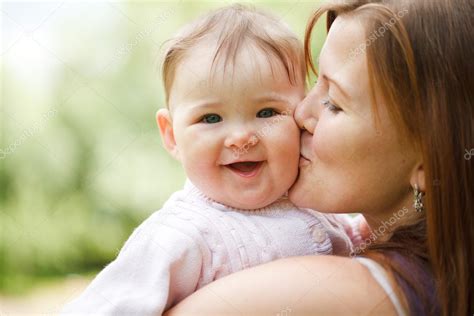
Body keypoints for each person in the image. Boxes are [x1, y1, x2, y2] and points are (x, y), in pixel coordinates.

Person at [166, 0, 473, 315]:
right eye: (315, 86)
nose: (299, 113)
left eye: (334, 103)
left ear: (431, 163)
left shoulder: (339, 293)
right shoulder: (443, 274)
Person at [61, 5, 363, 315]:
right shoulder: (180, 235)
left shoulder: (312, 202)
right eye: (211, 118)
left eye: (267, 112)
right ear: (172, 136)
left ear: (301, 114)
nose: (241, 138)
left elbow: (366, 242)